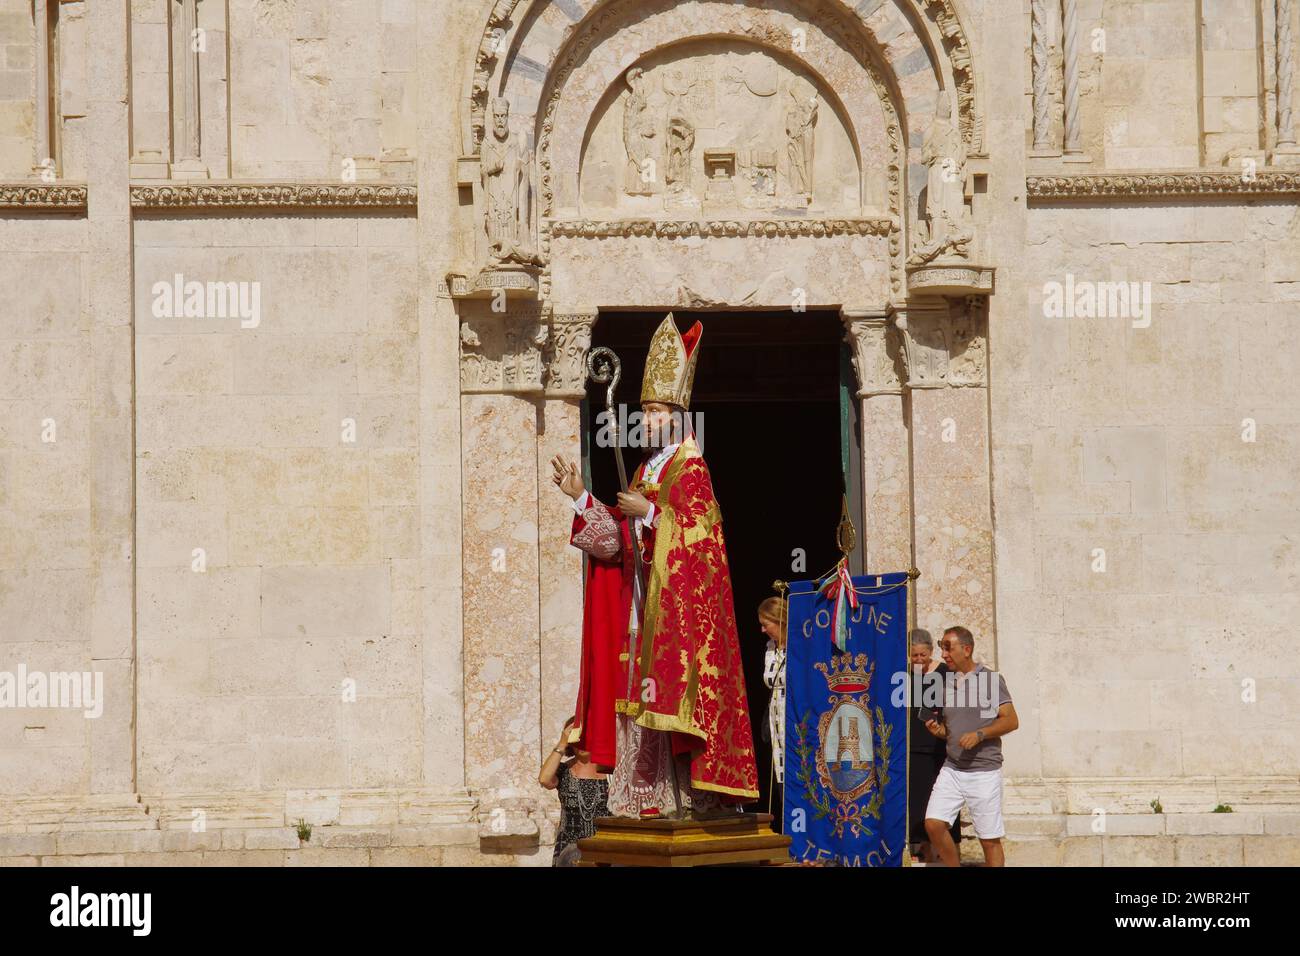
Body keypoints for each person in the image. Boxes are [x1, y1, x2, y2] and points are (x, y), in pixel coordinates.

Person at [550, 314, 759, 818]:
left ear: (679, 414)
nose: (646, 420)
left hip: (677, 620)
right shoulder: (645, 469)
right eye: (642, 412)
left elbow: (704, 544)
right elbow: (620, 548)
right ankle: (646, 801)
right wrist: (583, 500)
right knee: (636, 707)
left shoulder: (691, 467)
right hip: (640, 613)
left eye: (656, 410)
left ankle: (687, 799)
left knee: (671, 705)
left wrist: (654, 515)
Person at [923, 626, 1019, 867]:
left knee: (989, 840)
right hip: (952, 769)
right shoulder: (945, 685)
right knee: (933, 824)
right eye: (941, 647)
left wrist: (980, 734)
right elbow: (953, 730)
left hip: (984, 772)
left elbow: (1010, 720)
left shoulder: (989, 680)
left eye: (948, 647)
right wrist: (940, 732)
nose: (943, 654)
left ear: (967, 649)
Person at [906, 631, 960, 863]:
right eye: (914, 655)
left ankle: (949, 847)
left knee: (943, 799)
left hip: (940, 744)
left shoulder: (945, 673)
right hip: (914, 745)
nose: (918, 659)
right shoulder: (904, 674)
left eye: (923, 655)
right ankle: (924, 847)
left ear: (931, 652)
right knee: (918, 800)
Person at [539, 717, 609, 866]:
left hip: (605, 850)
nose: (582, 743)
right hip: (569, 854)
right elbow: (544, 779)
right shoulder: (564, 771)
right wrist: (562, 742)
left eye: (587, 738)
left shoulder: (611, 772)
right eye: (577, 739)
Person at [758, 597, 788, 819]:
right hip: (775, 719)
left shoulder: (799, 645)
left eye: (765, 624)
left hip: (794, 718)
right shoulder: (770, 648)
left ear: (780, 621)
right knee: (781, 775)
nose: (762, 629)